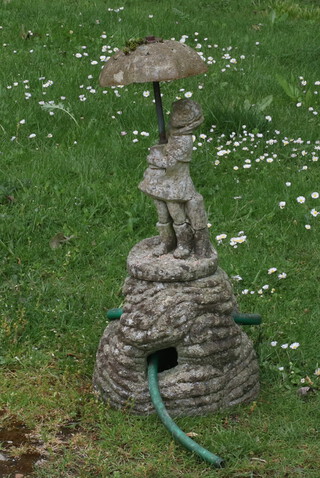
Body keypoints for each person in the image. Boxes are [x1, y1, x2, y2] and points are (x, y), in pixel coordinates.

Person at [139, 99, 214, 259]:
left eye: (181, 114)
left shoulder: (184, 140)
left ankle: (184, 244)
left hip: (176, 184)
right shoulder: (174, 134)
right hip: (162, 181)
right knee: (162, 213)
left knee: (177, 215)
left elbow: (170, 162)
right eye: (175, 112)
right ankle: (167, 241)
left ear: (190, 120)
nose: (174, 116)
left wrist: (153, 158)